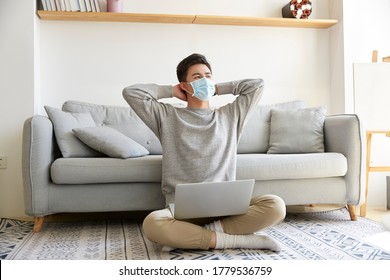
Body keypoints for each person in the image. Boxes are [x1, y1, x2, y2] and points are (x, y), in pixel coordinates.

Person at [122, 53, 286, 251]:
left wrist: (217, 88)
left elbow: (256, 85)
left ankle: (196, 235)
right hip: (180, 212)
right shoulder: (167, 116)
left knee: (276, 206)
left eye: (208, 76)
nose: (205, 81)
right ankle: (236, 240)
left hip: (226, 208)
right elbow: (131, 93)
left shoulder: (231, 115)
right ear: (184, 85)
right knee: (152, 223)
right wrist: (172, 91)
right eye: (197, 77)